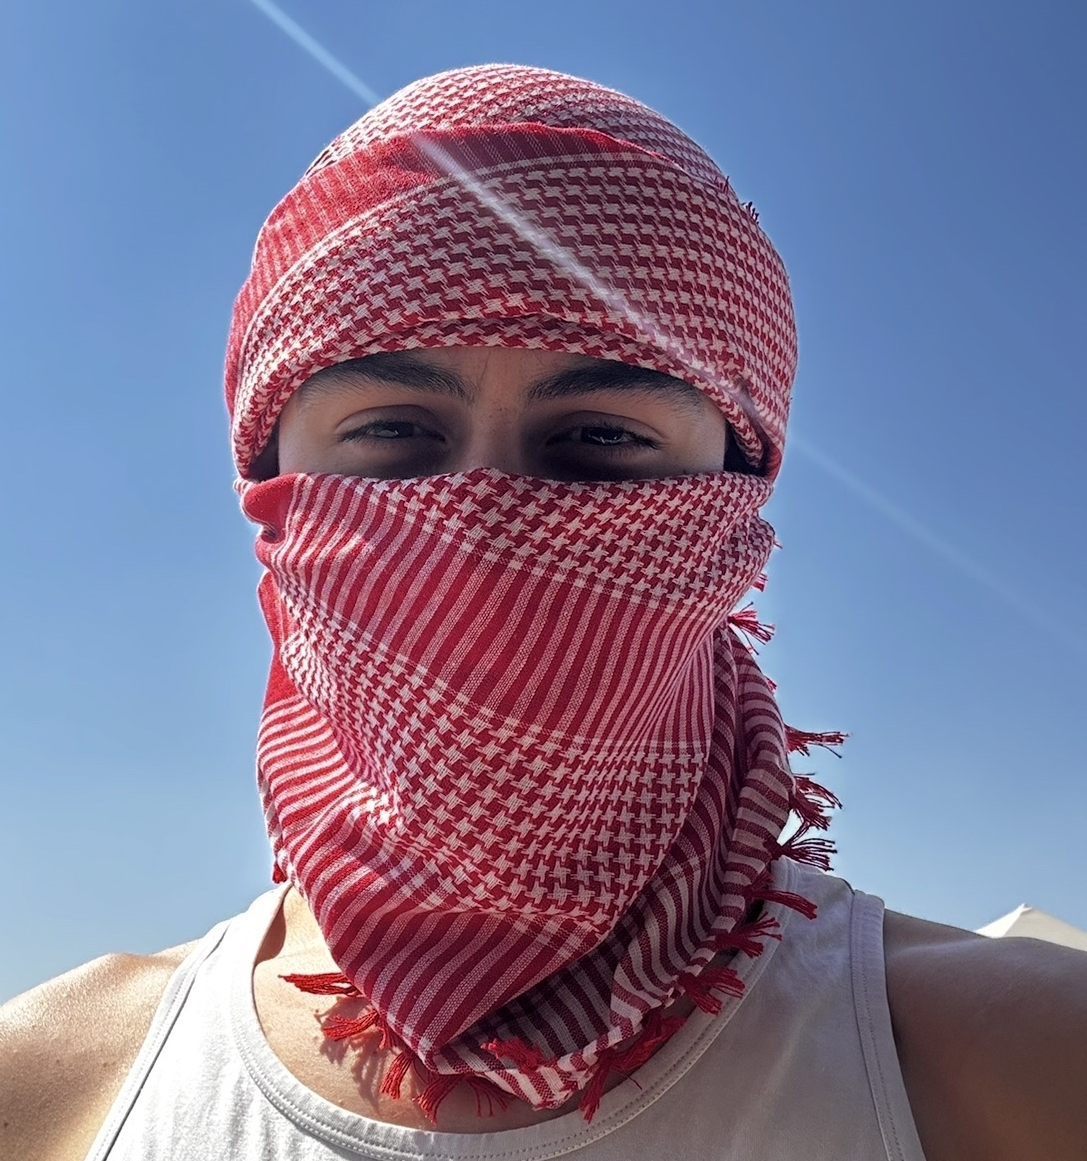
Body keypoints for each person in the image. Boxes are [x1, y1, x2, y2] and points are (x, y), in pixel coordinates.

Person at [1, 63, 1084, 1161]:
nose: (479, 525)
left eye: (603, 438)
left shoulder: (1022, 1061)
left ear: (738, 494)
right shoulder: (53, 1086)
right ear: (268, 479)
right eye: (390, 431)